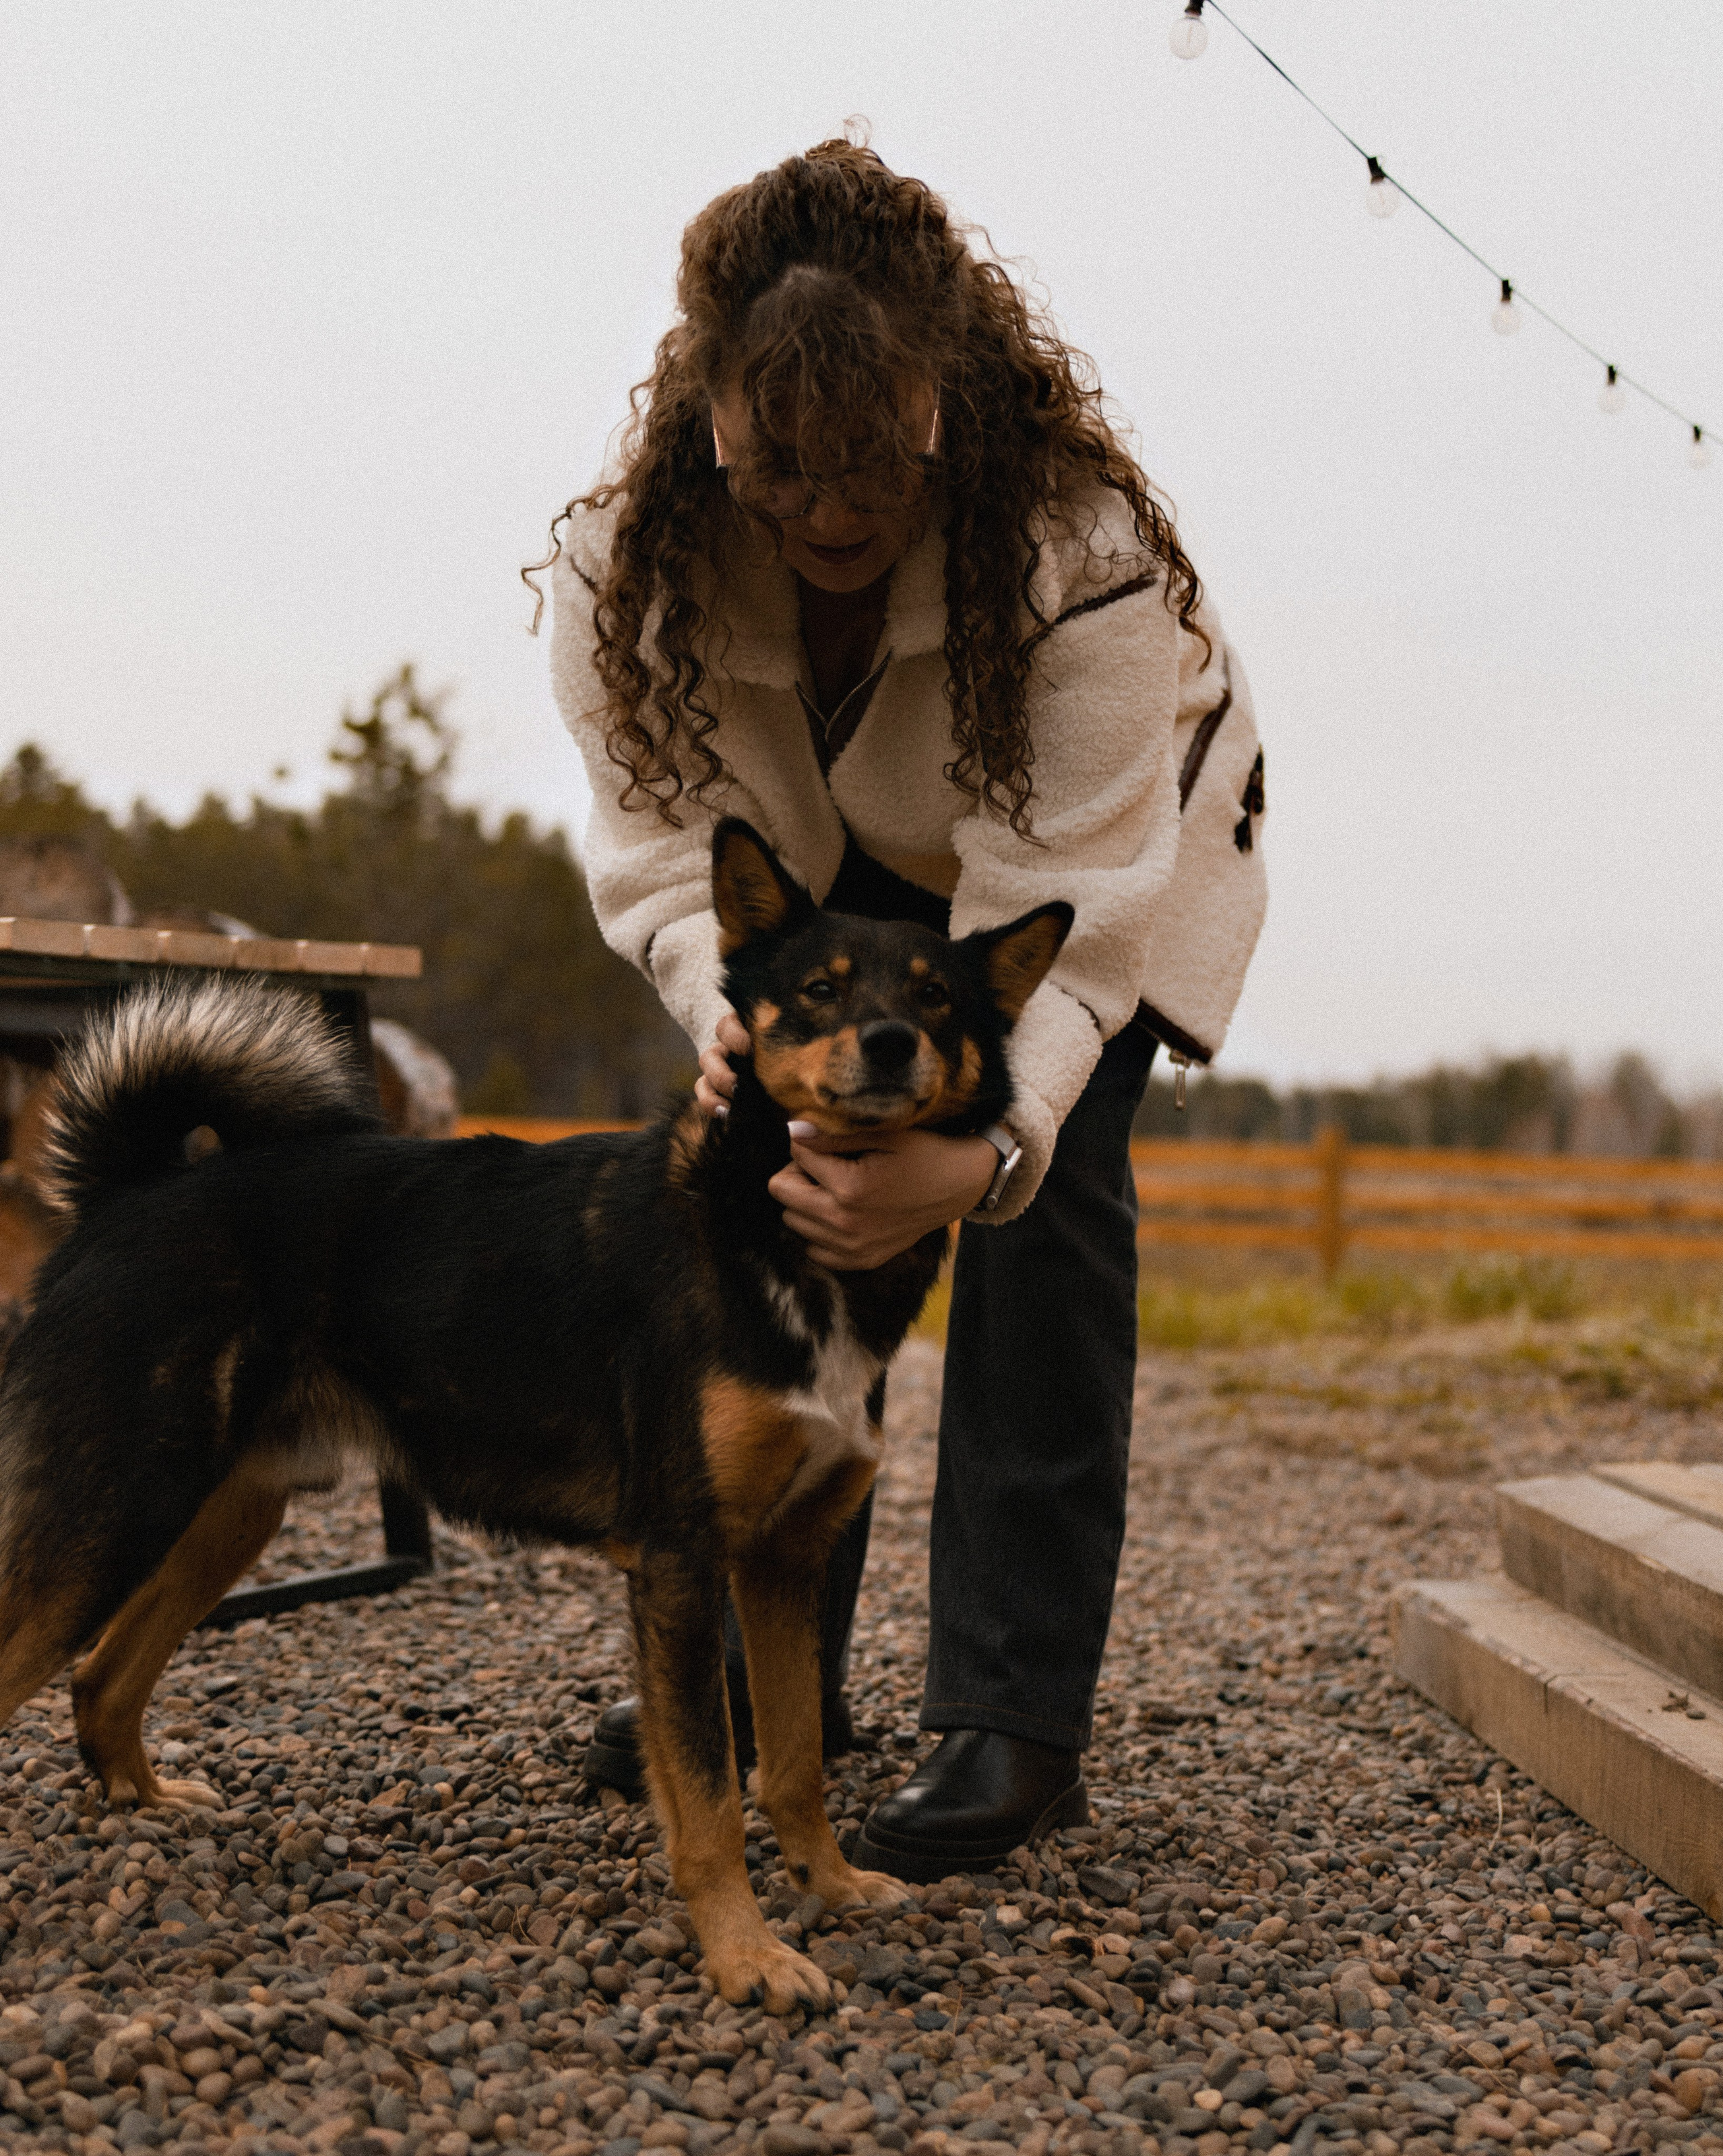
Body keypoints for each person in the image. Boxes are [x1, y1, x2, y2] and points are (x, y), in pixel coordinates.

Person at [532, 139, 1267, 1883]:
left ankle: (1011, 1712)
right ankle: (766, 1670)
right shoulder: (620, 565)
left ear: (944, 393)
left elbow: (1065, 922)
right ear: (707, 415)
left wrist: (985, 1147)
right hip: (824, 865)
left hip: (1094, 850)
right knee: (780, 1220)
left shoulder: (1079, 551)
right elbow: (657, 848)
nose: (832, 512)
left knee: (1051, 1215)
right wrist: (744, 1030)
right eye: (778, 469)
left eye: (872, 460)